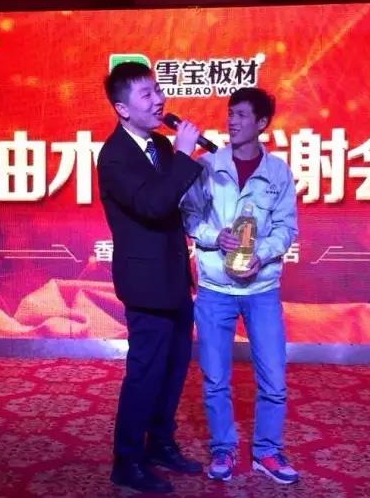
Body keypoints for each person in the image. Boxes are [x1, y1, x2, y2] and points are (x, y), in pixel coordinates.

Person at [180, 87, 299, 484]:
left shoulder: (278, 172)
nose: (232, 121)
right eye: (231, 113)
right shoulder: (206, 166)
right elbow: (190, 219)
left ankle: (267, 450)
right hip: (215, 288)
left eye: (242, 115)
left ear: (262, 123)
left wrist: (260, 254)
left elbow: (286, 228)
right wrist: (216, 237)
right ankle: (223, 448)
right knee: (215, 378)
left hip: (261, 289)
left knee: (274, 379)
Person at [97, 61, 203, 493]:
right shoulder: (114, 156)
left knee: (174, 369)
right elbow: (154, 204)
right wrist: (184, 156)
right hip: (145, 285)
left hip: (175, 278)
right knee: (145, 373)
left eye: (158, 90)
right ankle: (127, 461)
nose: (159, 100)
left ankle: (160, 443)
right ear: (122, 108)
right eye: (147, 94)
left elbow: (176, 204)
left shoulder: (159, 145)